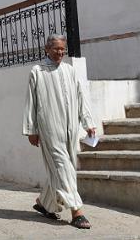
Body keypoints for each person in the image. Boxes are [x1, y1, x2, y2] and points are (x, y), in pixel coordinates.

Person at [23, 34, 96, 230]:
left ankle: (44, 203)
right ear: (47, 49)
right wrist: (32, 129)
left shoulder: (70, 71)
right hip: (49, 128)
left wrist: (88, 123)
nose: (60, 53)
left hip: (71, 127)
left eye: (63, 49)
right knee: (63, 165)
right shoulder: (37, 72)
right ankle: (77, 211)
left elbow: (82, 97)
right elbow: (32, 102)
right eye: (56, 49)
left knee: (66, 166)